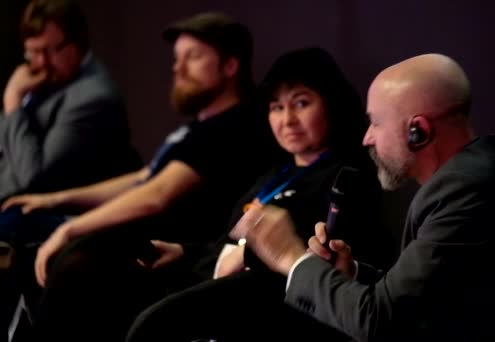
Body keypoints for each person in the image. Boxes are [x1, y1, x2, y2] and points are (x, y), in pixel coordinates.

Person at [3, 11, 278, 342]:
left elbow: (156, 194)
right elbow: (144, 177)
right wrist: (54, 199)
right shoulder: (198, 126)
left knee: (60, 250)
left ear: (230, 66)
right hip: (146, 241)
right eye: (177, 58)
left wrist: (69, 227)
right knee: (23, 220)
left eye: (193, 57)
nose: (178, 68)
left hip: (170, 252)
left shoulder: (232, 126)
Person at [231, 53, 495, 341]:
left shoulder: (466, 191)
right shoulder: (465, 179)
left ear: (417, 131)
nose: (367, 137)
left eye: (376, 123)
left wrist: (290, 257)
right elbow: (418, 299)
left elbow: (380, 320)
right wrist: (351, 273)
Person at [125, 47, 397, 342]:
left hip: (276, 308)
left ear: (331, 104)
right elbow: (232, 244)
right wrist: (184, 253)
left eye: (301, 103)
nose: (287, 119)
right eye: (276, 107)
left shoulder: (348, 176)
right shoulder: (273, 174)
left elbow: (318, 255)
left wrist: (255, 252)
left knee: (155, 325)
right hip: (222, 292)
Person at [0, 0, 141, 338]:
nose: (40, 64)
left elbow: (31, 176)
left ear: (78, 43)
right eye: (32, 52)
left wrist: (11, 102)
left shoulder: (92, 96)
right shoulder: (46, 85)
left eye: (50, 50)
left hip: (69, 215)